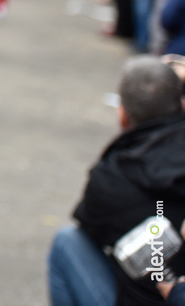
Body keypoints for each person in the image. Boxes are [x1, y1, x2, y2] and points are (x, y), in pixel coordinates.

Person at [48, 55, 185, 306]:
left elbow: (91, 230)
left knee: (67, 242)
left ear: (123, 115)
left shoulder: (112, 176)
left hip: (146, 296)